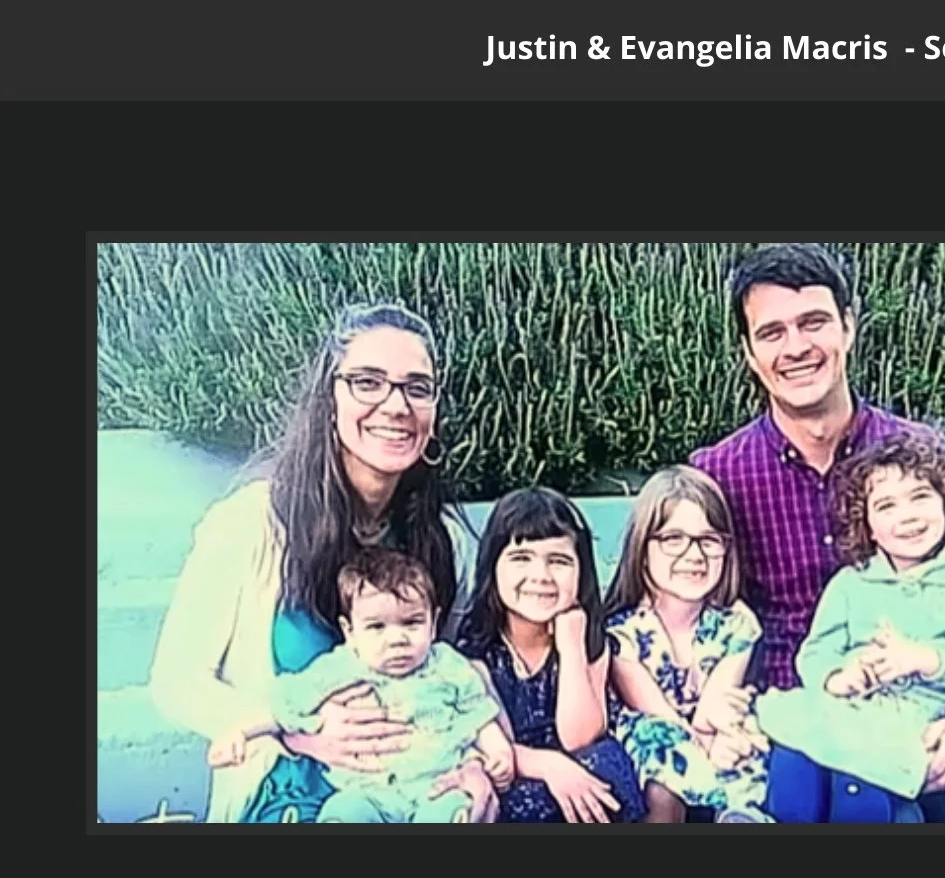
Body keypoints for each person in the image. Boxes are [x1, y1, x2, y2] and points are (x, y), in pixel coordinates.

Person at [690, 242, 945, 822]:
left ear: (849, 329)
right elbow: (677, 609)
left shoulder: (921, 457)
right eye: (772, 332)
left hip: (928, 716)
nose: (796, 347)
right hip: (808, 733)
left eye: (814, 322)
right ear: (750, 353)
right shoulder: (720, 475)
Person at [148, 303, 498, 823]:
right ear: (329, 399)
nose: (396, 405)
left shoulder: (444, 541)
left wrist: (475, 768)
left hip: (417, 795)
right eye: (368, 382)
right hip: (284, 794)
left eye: (416, 387)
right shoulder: (253, 523)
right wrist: (291, 729)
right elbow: (175, 683)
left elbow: (456, 684)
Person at [755, 435, 945, 821]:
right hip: (850, 708)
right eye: (886, 506)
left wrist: (924, 658)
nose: (907, 516)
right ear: (867, 525)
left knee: (859, 782)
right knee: (794, 747)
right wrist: (838, 678)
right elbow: (816, 650)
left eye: (920, 496)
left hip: (918, 722)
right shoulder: (851, 583)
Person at [208, 548, 514, 822]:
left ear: (433, 623)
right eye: (377, 627)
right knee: (344, 812)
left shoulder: (447, 665)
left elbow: (477, 714)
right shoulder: (337, 669)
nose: (397, 639)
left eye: (411, 623)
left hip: (439, 785)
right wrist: (241, 733)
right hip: (369, 791)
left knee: (455, 812)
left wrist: (498, 752)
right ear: (350, 631)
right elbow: (285, 706)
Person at [455, 486, 648, 823]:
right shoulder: (476, 652)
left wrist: (571, 647)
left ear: (581, 572)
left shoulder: (588, 638)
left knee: (605, 765)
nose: (540, 577)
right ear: (492, 567)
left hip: (580, 764)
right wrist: (551, 766)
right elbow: (498, 749)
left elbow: (581, 737)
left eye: (558, 561)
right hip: (514, 772)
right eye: (521, 558)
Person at [604, 465, 773, 823]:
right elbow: (658, 714)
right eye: (673, 538)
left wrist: (722, 743)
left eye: (709, 540)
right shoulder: (621, 634)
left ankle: (739, 816)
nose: (694, 554)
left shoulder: (736, 624)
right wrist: (708, 748)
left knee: (745, 745)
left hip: (712, 728)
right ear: (643, 546)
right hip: (658, 736)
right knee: (661, 753)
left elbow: (713, 709)